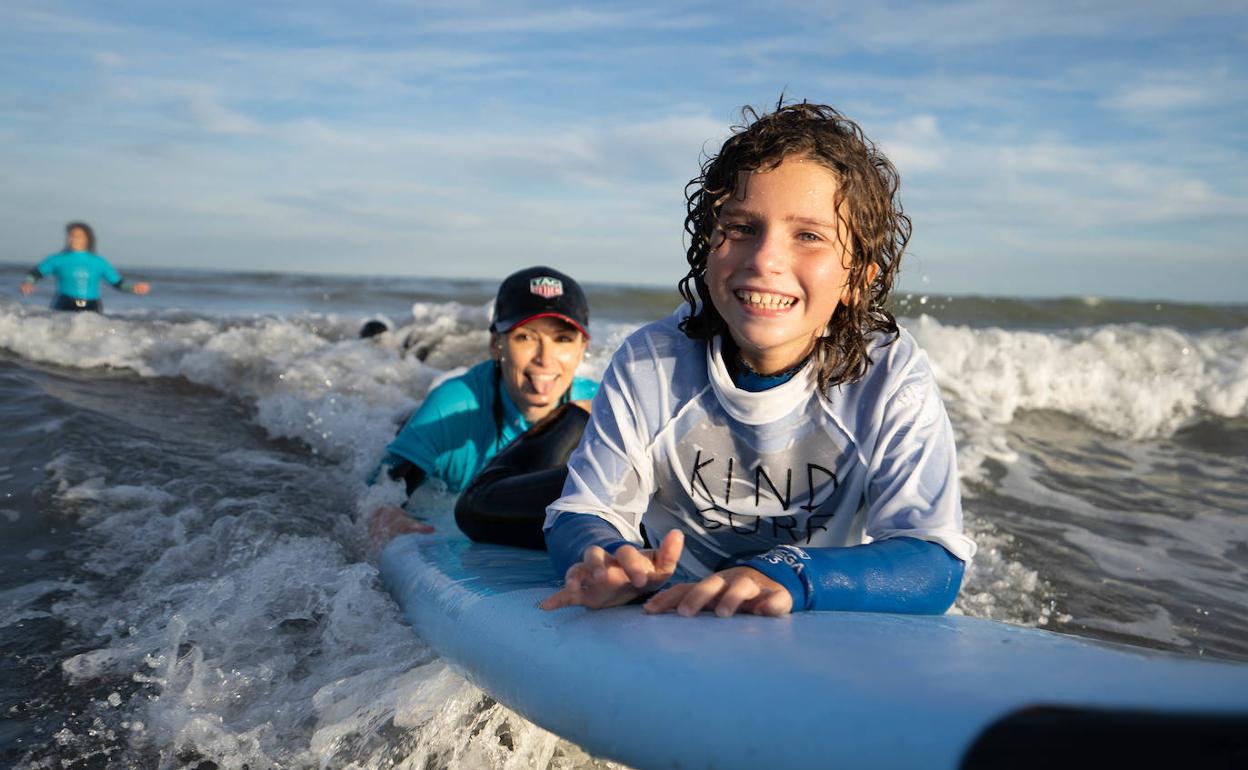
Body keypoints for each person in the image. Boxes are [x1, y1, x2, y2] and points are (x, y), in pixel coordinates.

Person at [539, 101, 976, 618]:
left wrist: (786, 574)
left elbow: (933, 559)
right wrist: (612, 561)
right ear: (708, 248)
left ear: (859, 278)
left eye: (809, 236)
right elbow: (583, 511)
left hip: (795, 584)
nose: (765, 259)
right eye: (742, 227)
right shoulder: (651, 363)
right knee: (486, 512)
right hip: (674, 595)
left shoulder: (888, 378)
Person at [370, 266, 598, 549]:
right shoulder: (451, 407)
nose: (545, 358)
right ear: (495, 344)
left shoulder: (600, 407)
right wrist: (385, 513)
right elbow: (377, 494)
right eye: (525, 337)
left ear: (581, 348)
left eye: (562, 339)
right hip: (415, 428)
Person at [20, 222, 150, 311]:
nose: (73, 239)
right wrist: (28, 283)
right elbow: (35, 273)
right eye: (71, 236)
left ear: (87, 239)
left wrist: (133, 287)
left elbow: (118, 283)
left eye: (78, 236)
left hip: (92, 305)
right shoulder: (56, 259)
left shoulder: (98, 262)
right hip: (63, 302)